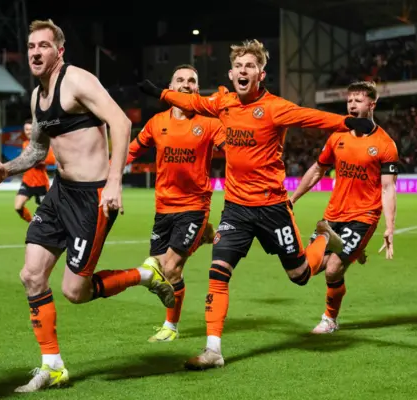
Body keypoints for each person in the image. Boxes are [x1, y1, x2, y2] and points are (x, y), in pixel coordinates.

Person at [138, 39, 376, 370]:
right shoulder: (223, 103)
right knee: (218, 273)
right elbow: (190, 99)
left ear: (261, 74)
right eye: (239, 66)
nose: (244, 71)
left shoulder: (276, 107)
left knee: (301, 275)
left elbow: (310, 117)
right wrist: (160, 93)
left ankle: (325, 240)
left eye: (251, 66)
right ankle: (213, 350)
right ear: (231, 73)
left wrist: (346, 123)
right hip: (236, 208)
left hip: (273, 208)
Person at [0, 19, 174, 393]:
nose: (35, 52)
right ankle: (52, 366)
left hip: (94, 197)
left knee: (75, 292)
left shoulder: (78, 81)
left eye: (43, 46)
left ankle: (147, 274)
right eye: (31, 46)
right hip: (59, 194)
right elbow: (38, 149)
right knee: (31, 275)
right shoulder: (38, 97)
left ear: (59, 51)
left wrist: (116, 180)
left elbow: (120, 122)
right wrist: (6, 168)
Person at [290, 81, 398, 333]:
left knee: (334, 268)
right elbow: (318, 170)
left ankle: (329, 319)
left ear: (372, 104)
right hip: (333, 215)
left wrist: (390, 226)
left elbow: (388, 188)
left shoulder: (385, 144)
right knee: (306, 269)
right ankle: (353, 250)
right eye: (349, 100)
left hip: (363, 216)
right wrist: (292, 198)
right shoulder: (337, 136)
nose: (351, 104)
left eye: (358, 100)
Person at [127, 64, 224, 342]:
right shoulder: (157, 122)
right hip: (163, 207)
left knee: (170, 269)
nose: (185, 84)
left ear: (197, 88)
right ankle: (204, 235)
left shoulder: (209, 122)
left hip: (194, 205)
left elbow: (233, 149)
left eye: (191, 80)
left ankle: (171, 327)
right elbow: (132, 151)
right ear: (170, 88)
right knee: (155, 267)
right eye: (179, 80)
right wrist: (106, 175)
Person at [14, 119, 56, 222]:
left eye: (30, 129)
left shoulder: (43, 143)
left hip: (41, 183)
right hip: (27, 182)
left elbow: (52, 160)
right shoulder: (25, 144)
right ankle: (31, 223)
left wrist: (38, 160)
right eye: (26, 129)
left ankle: (53, 229)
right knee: (18, 206)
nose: (28, 131)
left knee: (48, 212)